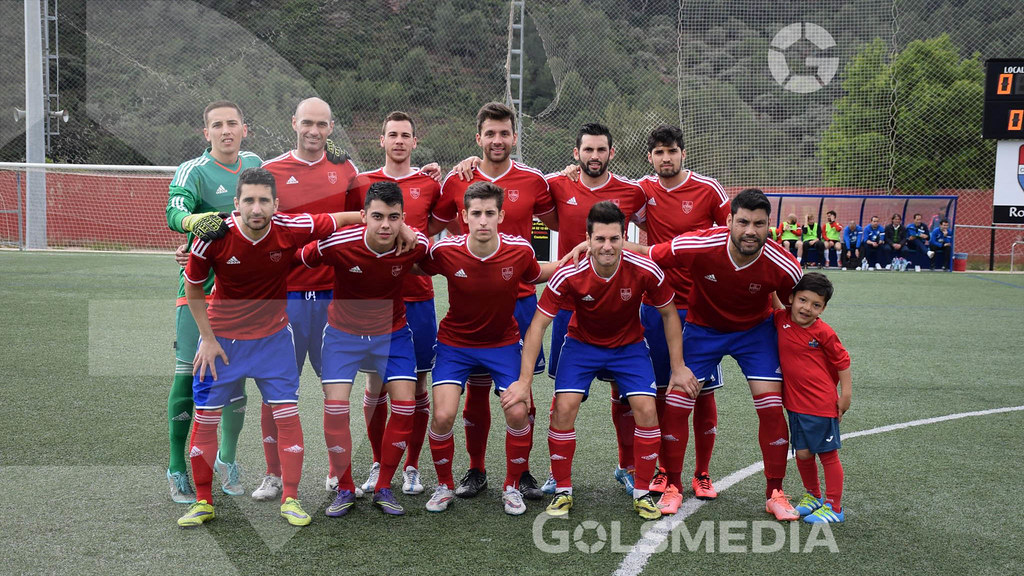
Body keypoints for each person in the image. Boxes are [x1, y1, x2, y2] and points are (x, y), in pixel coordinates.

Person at [176, 167, 368, 528]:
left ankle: (291, 498)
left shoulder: (290, 228)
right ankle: (203, 500)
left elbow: (342, 218)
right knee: (206, 419)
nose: (256, 208)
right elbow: (194, 288)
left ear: (276, 205)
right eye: (248, 200)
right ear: (236, 204)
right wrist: (207, 338)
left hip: (274, 340)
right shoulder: (212, 236)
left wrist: (396, 224)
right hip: (222, 342)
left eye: (264, 200)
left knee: (287, 415)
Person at [517, 201, 698, 520]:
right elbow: (537, 326)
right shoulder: (569, 273)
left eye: (614, 238)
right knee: (564, 407)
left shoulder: (645, 269)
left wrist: (679, 367)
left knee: (646, 407)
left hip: (628, 346)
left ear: (622, 237)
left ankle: (643, 492)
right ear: (588, 239)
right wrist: (524, 381)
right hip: (581, 344)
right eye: (599, 239)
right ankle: (562, 490)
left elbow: (669, 314)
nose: (607, 246)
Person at [638, 188, 804, 521]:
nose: (750, 231)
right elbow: (648, 253)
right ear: (728, 220)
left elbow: (794, 309)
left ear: (769, 226)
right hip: (703, 332)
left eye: (759, 224)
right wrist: (596, 248)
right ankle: (672, 485)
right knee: (675, 403)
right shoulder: (698, 244)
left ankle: (775, 492)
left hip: (755, 335)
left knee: (771, 409)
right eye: (743, 221)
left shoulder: (785, 265)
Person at [431, 102, 558, 500]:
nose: (498, 140)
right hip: (471, 301)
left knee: (522, 394)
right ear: (479, 137)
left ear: (514, 137)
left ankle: (520, 476)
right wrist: (430, 176)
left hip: (518, 300)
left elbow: (563, 220)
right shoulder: (459, 179)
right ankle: (475, 470)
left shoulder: (534, 179)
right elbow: (433, 225)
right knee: (476, 391)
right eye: (491, 133)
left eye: (505, 133)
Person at [299, 181, 430, 517]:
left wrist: (414, 233)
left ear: (402, 218)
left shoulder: (413, 245)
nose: (385, 224)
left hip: (393, 334)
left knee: (405, 406)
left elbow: (429, 247)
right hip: (343, 336)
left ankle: (384, 486)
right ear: (363, 216)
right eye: (377, 216)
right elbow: (299, 256)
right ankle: (344, 487)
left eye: (393, 217)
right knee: (336, 408)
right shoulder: (339, 243)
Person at [254, 97, 360, 502]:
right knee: (275, 389)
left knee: (336, 389)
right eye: (307, 123)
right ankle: (273, 474)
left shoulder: (345, 169)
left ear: (331, 127)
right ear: (293, 123)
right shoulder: (272, 171)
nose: (314, 131)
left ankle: (337, 473)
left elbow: (362, 222)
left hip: (336, 297)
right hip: (286, 298)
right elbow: (254, 225)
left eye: (322, 124)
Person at [539, 123, 649, 498]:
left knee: (626, 393)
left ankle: (628, 467)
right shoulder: (557, 184)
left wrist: (638, 254)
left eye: (601, 149)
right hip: (569, 306)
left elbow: (654, 227)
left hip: (618, 306)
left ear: (611, 153)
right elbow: (508, 188)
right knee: (565, 396)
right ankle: (558, 474)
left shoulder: (632, 192)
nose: (594, 156)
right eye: (588, 150)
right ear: (576, 153)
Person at [164, 100, 262, 503]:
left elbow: (279, 195)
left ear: (244, 129)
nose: (225, 130)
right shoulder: (194, 170)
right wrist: (193, 225)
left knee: (236, 381)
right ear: (206, 133)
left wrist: (331, 156)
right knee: (188, 375)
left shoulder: (255, 163)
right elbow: (175, 208)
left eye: (232, 123)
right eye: (217, 125)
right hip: (199, 292)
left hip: (243, 295)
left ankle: (227, 458)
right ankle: (175, 466)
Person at [631, 124, 730, 509]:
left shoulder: (709, 189)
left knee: (701, 390)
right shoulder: (643, 190)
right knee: (658, 389)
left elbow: (734, 233)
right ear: (650, 157)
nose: (665, 158)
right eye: (658, 152)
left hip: (703, 306)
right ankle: (662, 470)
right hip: (657, 305)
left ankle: (702, 472)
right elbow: (607, 189)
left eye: (671, 150)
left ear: (683, 153)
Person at [349, 111, 444, 499]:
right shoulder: (361, 183)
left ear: (415, 142)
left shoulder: (429, 185)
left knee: (417, 384)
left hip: (418, 298)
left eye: (406, 135)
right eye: (393, 134)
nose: (400, 141)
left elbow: (435, 234)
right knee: (375, 383)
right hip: (373, 301)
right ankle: (377, 460)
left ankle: (411, 466)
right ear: (382, 140)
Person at [774, 272, 851, 524]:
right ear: (792, 299)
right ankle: (813, 495)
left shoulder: (824, 332)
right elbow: (772, 297)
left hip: (821, 404)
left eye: (816, 305)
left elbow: (842, 361)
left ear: (823, 308)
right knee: (804, 454)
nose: (807, 308)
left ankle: (834, 506)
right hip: (795, 405)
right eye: (803, 300)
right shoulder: (781, 320)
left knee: (828, 454)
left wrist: (845, 395)